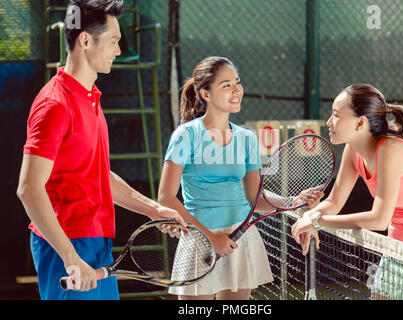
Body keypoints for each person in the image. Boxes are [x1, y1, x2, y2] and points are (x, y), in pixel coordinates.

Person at [16, 0, 185, 300]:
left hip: (97, 245)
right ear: (85, 40)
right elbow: (29, 189)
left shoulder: (90, 97)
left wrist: (155, 210)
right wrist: (70, 257)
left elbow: (97, 175)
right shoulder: (54, 104)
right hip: (66, 246)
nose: (119, 51)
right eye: (114, 41)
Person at [158, 56, 323, 300]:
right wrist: (211, 238)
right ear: (205, 93)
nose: (236, 90)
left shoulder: (246, 138)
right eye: (226, 85)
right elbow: (166, 198)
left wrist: (292, 201)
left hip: (240, 240)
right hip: (200, 240)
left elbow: (255, 198)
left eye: (237, 82)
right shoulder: (186, 135)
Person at [290, 83, 403, 299]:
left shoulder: (390, 149)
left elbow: (379, 219)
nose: (329, 122)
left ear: (360, 123)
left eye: (336, 115)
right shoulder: (353, 148)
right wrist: (311, 215)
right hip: (398, 244)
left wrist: (318, 221)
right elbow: (334, 202)